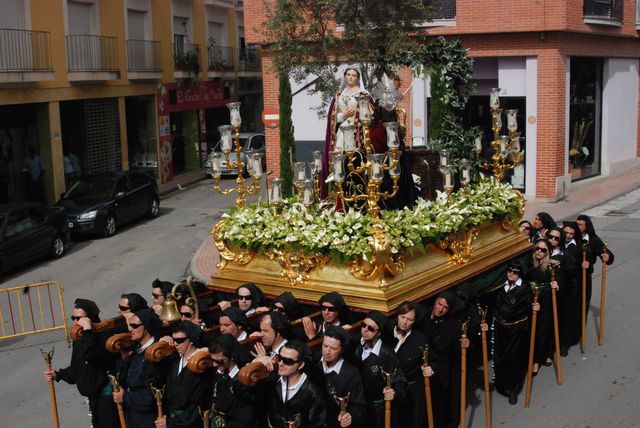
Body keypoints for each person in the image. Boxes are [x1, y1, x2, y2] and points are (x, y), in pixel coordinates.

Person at [43, 298, 120, 428]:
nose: (74, 322)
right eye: (73, 317)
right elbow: (77, 368)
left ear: (90, 319)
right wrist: (58, 375)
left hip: (107, 400)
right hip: (93, 400)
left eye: (78, 318)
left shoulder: (103, 337)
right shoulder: (81, 339)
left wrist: (88, 330)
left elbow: (91, 355)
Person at [491, 259, 539, 405]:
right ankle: (501, 384)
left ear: (520, 274)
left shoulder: (525, 289)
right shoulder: (501, 287)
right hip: (500, 328)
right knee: (500, 356)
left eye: (515, 272)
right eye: (510, 271)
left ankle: (513, 389)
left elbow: (516, 308)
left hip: (516, 329)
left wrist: (534, 307)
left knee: (514, 358)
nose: (511, 274)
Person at [321, 67, 373, 199]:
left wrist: (359, 113)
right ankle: (338, 195)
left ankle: (356, 191)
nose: (350, 77)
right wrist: (342, 116)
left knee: (355, 160)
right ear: (345, 76)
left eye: (353, 75)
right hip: (341, 132)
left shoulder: (363, 95)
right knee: (339, 159)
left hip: (357, 134)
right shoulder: (339, 95)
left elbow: (370, 115)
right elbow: (332, 117)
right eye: (348, 74)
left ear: (357, 78)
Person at [420, 292, 467, 428]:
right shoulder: (423, 316)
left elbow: (458, 347)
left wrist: (465, 344)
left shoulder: (453, 325)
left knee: (441, 401)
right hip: (423, 366)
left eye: (445, 307)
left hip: (442, 368)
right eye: (440, 304)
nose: (440, 309)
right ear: (435, 302)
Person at [113, 308, 165, 428]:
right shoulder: (135, 349)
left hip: (148, 417)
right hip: (133, 413)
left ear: (146, 328)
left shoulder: (155, 353)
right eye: (130, 325)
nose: (130, 329)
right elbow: (123, 378)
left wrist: (125, 397)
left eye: (135, 326)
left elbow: (149, 396)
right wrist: (124, 360)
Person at [356, 311, 407, 428]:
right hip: (364, 408)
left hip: (381, 410)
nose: (365, 330)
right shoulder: (358, 347)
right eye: (363, 325)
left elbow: (400, 381)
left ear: (378, 333)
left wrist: (394, 392)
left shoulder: (386, 354)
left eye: (370, 328)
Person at [311, 325, 367, 428]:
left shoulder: (351, 373)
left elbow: (359, 406)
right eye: (325, 346)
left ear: (342, 350)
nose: (327, 352)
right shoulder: (315, 364)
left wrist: (351, 416)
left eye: (333, 348)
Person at [154, 322, 208, 428]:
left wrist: (171, 423)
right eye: (174, 340)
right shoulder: (175, 361)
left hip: (190, 423)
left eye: (179, 341)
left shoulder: (201, 365)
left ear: (191, 340)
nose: (175, 344)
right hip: (172, 418)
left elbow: (197, 405)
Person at [384, 301, 427, 428]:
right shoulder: (386, 335)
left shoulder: (419, 338)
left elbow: (432, 361)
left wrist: (430, 368)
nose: (405, 322)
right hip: (389, 391)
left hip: (411, 392)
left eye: (409, 319)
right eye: (402, 317)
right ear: (397, 316)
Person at [265, 340, 327, 427]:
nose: (281, 364)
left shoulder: (313, 392)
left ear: (301, 364)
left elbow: (317, 424)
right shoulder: (271, 381)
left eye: (288, 361)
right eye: (280, 358)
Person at [205, 334, 255, 427]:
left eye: (219, 361)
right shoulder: (216, 373)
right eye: (213, 360)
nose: (214, 365)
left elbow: (245, 416)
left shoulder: (245, 379)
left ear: (232, 357)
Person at [523, 239, 557, 374]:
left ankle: (536, 360)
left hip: (545, 305)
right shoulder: (530, 264)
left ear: (547, 253)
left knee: (541, 333)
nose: (539, 252)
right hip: (529, 303)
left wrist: (556, 285)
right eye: (537, 248)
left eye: (543, 250)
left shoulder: (551, 267)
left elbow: (558, 283)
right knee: (529, 331)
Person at [576, 214, 615, 319]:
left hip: (585, 276)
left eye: (580, 225)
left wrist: (606, 256)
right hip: (571, 275)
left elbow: (606, 254)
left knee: (583, 303)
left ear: (586, 227)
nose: (577, 227)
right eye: (576, 224)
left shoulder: (593, 239)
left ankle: (580, 330)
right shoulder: (571, 235)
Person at [559, 221, 584, 354]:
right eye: (566, 233)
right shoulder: (556, 244)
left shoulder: (578, 248)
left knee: (568, 315)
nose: (568, 236)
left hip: (571, 287)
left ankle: (565, 343)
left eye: (571, 234)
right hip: (557, 286)